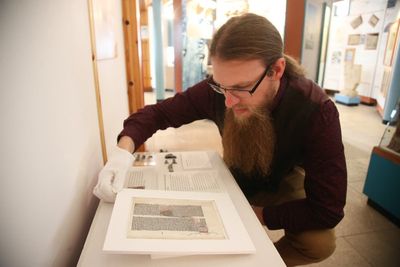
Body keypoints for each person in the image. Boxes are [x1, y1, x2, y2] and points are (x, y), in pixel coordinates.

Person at [93, 13, 347, 266]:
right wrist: (122, 153)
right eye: (221, 86)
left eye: (241, 87)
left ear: (276, 70)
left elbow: (328, 209)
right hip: (234, 170)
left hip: (280, 177)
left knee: (319, 243)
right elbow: (158, 113)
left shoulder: (316, 110)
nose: (228, 100)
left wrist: (258, 215)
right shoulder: (222, 89)